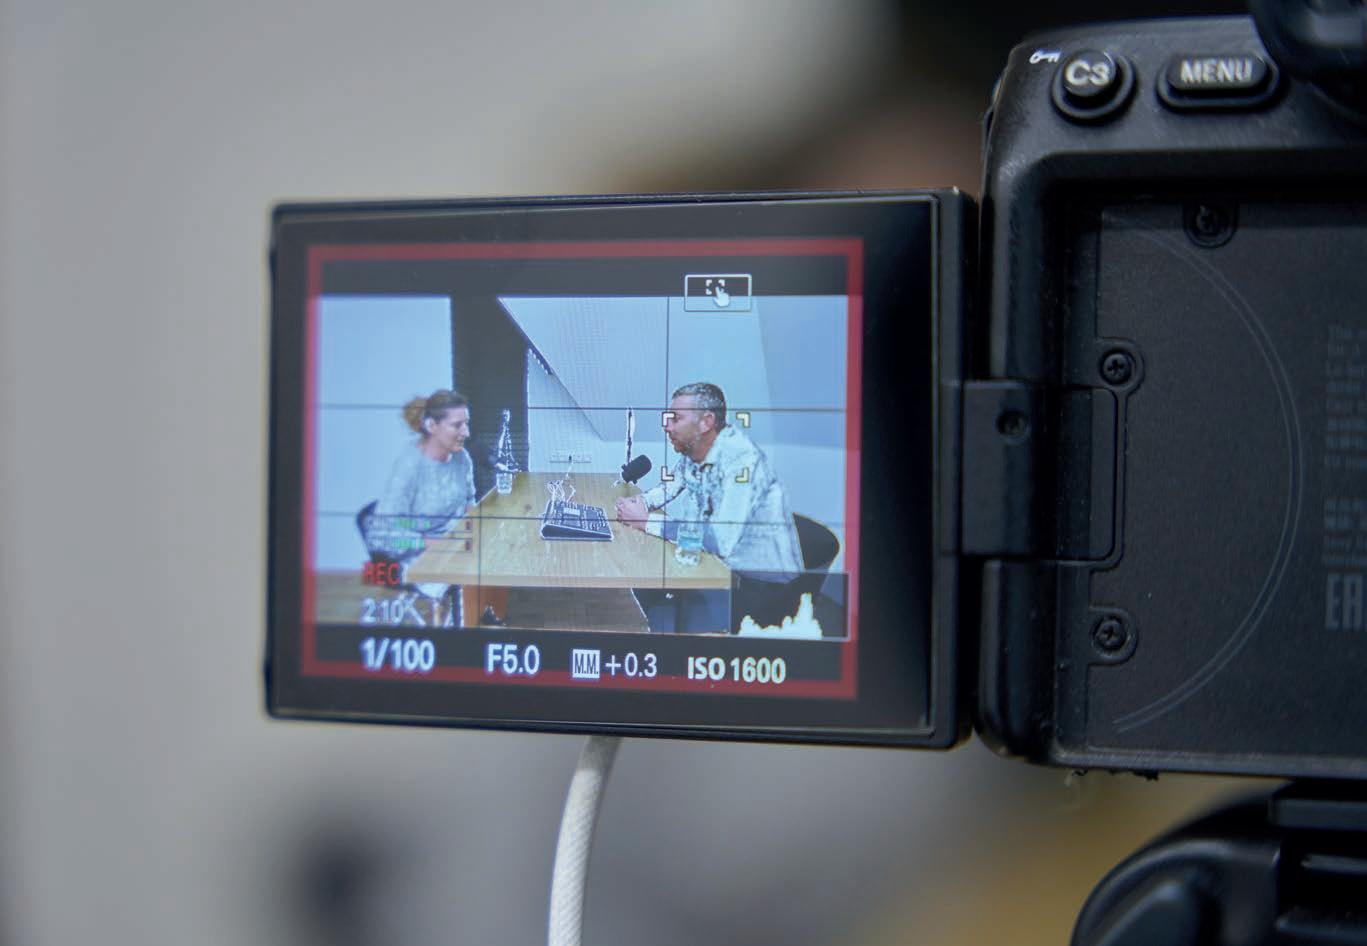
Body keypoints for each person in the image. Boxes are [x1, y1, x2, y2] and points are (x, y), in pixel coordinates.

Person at [615, 382, 804, 631]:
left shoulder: (742, 463)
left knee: (662, 604)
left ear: (706, 422)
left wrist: (647, 521)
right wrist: (641, 502)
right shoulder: (694, 453)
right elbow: (670, 488)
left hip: (762, 588)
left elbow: (719, 539)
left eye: (676, 418)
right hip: (719, 566)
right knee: (647, 587)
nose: (666, 426)